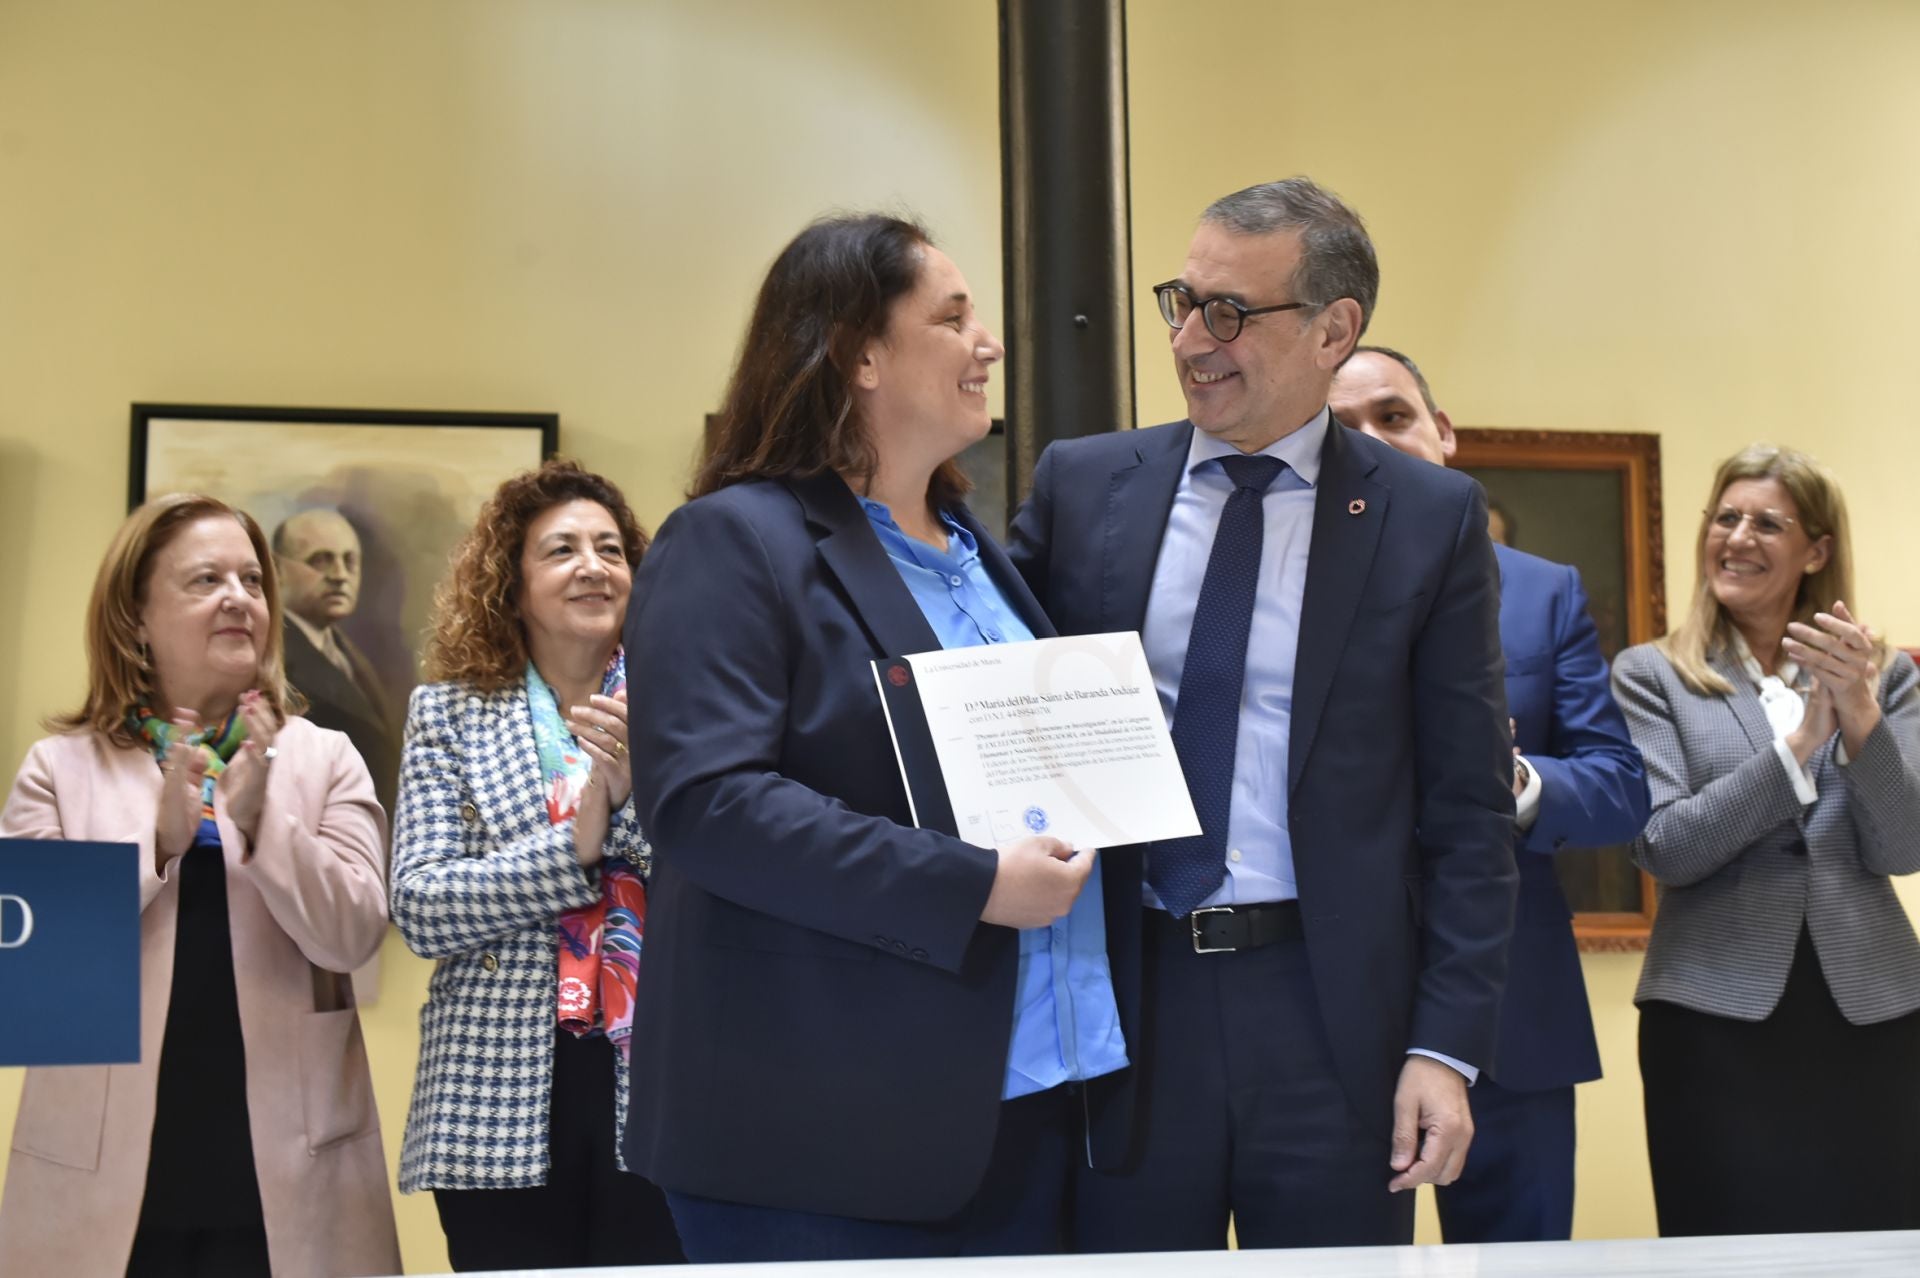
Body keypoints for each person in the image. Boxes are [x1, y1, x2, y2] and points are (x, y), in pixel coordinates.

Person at [1006, 177, 1517, 1251]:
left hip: (1332, 1018)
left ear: (1336, 330)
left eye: (1231, 312)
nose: (1193, 338)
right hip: (1129, 1000)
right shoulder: (1083, 486)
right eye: (1182, 302)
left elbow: (1469, 816)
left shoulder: (1429, 519)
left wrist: (1445, 1048)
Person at [622, 213, 1109, 1262]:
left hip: (1027, 1116)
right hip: (820, 1142)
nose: (990, 343)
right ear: (862, 355)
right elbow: (708, 806)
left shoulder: (981, 555)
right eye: (954, 317)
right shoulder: (732, 541)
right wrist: (972, 885)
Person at [0, 493, 398, 1278]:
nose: (239, 599)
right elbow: (29, 982)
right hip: (106, 1183)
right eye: (206, 579)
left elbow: (355, 936)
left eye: (252, 581)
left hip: (289, 1175)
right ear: (135, 618)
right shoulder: (60, 768)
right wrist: (157, 842)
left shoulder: (324, 759)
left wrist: (263, 830)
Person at [1330, 345, 1650, 1241]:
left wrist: (1511, 781)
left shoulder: (1546, 595)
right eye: (1343, 427)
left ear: (1444, 434)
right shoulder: (1283, 596)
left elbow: (1622, 787)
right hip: (1334, 1016)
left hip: (1517, 1013)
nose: (1376, 442)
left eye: (1394, 417)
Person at [1611, 444, 1920, 1236]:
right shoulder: (1652, 674)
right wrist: (1798, 747)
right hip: (1711, 1017)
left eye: (1768, 523)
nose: (1738, 537)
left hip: (1875, 1012)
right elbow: (1666, 848)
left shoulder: (1888, 676)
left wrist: (1856, 711)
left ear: (1816, 550)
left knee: (1878, 1238)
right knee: (1724, 1240)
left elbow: (1905, 847)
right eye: (1726, 517)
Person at [389, 459, 683, 1270]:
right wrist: (578, 844)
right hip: (495, 1092)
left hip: (660, 1073)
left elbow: (724, 872)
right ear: (511, 587)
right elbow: (420, 904)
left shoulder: (689, 706)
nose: (593, 566)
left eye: (611, 549)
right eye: (561, 550)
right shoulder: (448, 715)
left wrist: (626, 822)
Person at [273, 507, 401, 814]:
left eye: (349, 561)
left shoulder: (348, 653)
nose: (340, 575)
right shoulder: (271, 657)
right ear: (276, 569)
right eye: (321, 559)